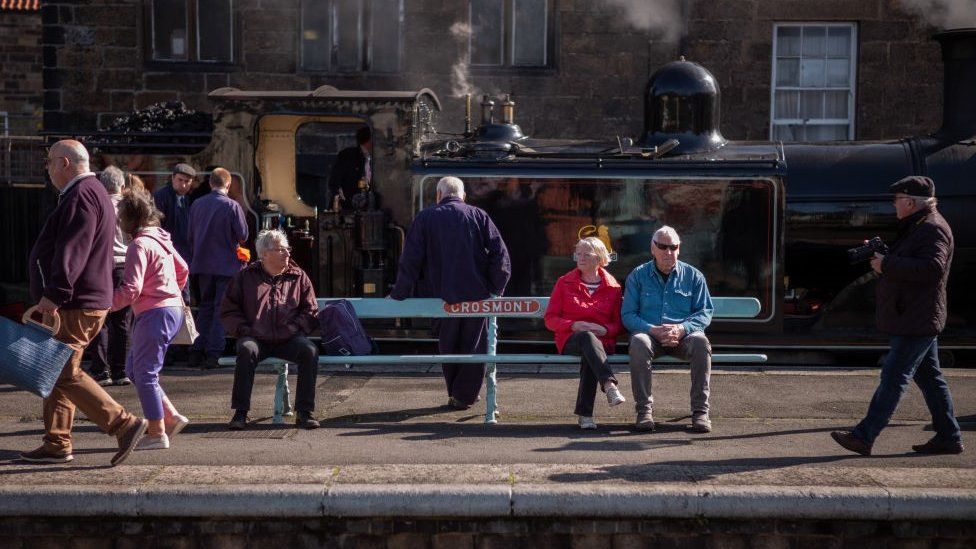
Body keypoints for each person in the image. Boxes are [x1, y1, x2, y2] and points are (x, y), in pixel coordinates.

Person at [22, 139, 147, 466]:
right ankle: (57, 442)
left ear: (64, 163)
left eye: (49, 162)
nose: (47, 169)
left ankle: (124, 424)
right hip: (84, 299)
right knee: (60, 370)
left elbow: (72, 250)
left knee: (61, 370)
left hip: (76, 302)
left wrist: (54, 295)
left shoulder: (80, 195)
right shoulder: (93, 193)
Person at [831, 176, 964, 456]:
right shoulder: (920, 225)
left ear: (909, 201)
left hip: (916, 318)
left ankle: (864, 437)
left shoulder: (932, 228)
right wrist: (886, 255)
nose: (893, 206)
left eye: (896, 200)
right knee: (930, 379)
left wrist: (887, 264)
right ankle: (948, 436)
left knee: (894, 376)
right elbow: (919, 262)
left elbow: (932, 268)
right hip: (917, 315)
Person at [389, 176, 511, 409]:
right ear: (463, 196)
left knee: (448, 345)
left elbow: (411, 261)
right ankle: (464, 395)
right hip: (477, 294)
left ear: (438, 195)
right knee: (474, 346)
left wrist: (399, 293)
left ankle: (457, 393)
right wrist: (496, 288)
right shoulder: (478, 215)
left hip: (440, 296)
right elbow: (500, 255)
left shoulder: (425, 218)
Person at [112, 189, 191, 450]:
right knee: (135, 369)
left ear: (129, 219)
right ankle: (170, 416)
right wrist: (170, 291)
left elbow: (131, 290)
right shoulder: (161, 239)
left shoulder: (138, 245)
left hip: (153, 313)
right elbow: (183, 270)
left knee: (144, 373)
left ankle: (157, 432)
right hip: (171, 310)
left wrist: (104, 304)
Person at [220, 229, 321, 430]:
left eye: (287, 249)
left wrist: (294, 328)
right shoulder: (245, 277)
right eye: (281, 249)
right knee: (246, 349)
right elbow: (229, 310)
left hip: (289, 338)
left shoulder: (298, 276)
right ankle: (240, 413)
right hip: (256, 337)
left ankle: (304, 412)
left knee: (309, 350)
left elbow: (311, 310)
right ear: (265, 254)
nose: (287, 253)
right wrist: (244, 330)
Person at [621, 225, 714, 433]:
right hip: (650, 337)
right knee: (639, 342)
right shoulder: (638, 276)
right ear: (652, 248)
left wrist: (682, 329)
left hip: (684, 338)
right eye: (662, 246)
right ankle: (644, 411)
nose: (668, 252)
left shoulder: (694, 276)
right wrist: (652, 330)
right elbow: (628, 315)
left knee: (701, 342)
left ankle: (700, 412)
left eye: (673, 247)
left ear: (679, 248)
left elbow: (705, 312)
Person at [544, 237, 625, 429]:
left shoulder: (614, 287)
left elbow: (620, 324)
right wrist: (573, 325)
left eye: (586, 254)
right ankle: (609, 386)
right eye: (577, 254)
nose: (580, 258)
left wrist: (605, 329)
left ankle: (585, 415)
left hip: (602, 342)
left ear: (599, 258)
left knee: (591, 348)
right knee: (588, 339)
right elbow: (550, 319)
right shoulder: (564, 282)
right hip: (570, 339)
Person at [187, 167, 248, 369]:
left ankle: (196, 351)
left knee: (204, 308)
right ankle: (213, 354)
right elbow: (243, 235)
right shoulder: (232, 206)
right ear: (228, 185)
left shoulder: (196, 204)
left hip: (202, 265)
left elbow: (190, 234)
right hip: (226, 265)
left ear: (210, 184)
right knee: (220, 310)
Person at [88, 165, 132, 387]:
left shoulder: (97, 205)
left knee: (100, 319)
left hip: (103, 266)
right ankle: (121, 370)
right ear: (122, 186)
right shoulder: (130, 207)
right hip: (126, 265)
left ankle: (100, 370)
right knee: (122, 321)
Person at [152, 163, 196, 273]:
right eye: (180, 180)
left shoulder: (190, 198)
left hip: (185, 253)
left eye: (187, 182)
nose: (183, 185)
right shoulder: (161, 197)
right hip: (168, 251)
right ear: (172, 178)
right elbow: (157, 224)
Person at [328, 126, 372, 210]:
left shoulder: (377, 159)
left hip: (368, 207)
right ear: (369, 141)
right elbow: (334, 181)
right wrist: (339, 197)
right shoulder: (348, 155)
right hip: (347, 207)